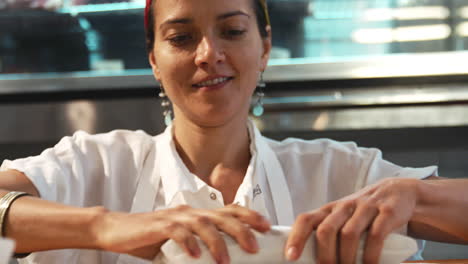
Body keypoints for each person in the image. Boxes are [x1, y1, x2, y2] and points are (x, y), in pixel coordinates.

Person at [0, 0, 467, 263]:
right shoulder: (95, 165)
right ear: (153, 61)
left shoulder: (336, 170)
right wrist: (107, 227)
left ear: (264, 47)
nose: (208, 54)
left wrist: (416, 197)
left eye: (233, 31)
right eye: (181, 38)